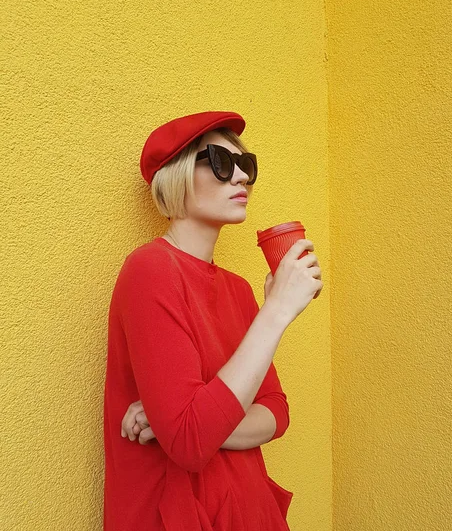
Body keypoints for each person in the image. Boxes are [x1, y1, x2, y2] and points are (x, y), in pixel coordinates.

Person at [103, 111, 323, 530]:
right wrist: (277, 310)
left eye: (247, 165)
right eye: (222, 163)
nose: (241, 177)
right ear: (178, 176)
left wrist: (177, 421)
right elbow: (189, 443)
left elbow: (276, 413)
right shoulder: (150, 270)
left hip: (244, 510)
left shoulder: (237, 289)